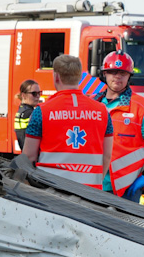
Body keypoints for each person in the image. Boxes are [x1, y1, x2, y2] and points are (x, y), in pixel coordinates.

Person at [21, 54, 110, 188]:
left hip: (51, 190)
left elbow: (28, 157)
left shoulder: (42, 111)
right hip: (90, 192)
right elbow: (107, 156)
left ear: (56, 76)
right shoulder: (103, 111)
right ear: (80, 77)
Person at [97, 52, 144, 198]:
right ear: (104, 74)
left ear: (129, 76)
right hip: (93, 182)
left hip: (125, 187)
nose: (117, 76)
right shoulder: (93, 104)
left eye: (123, 73)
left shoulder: (141, 106)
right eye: (112, 72)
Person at [13, 79, 42, 147]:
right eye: (34, 94)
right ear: (23, 95)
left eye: (39, 93)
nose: (38, 96)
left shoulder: (22, 110)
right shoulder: (29, 113)